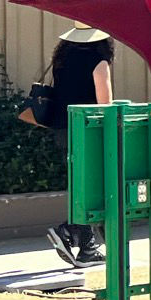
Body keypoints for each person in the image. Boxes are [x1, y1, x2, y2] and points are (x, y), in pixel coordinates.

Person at [41, 24, 115, 268]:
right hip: (87, 129)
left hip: (63, 127)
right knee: (93, 185)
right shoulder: (98, 60)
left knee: (79, 183)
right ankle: (68, 229)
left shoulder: (63, 57)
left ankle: (87, 248)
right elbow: (105, 103)